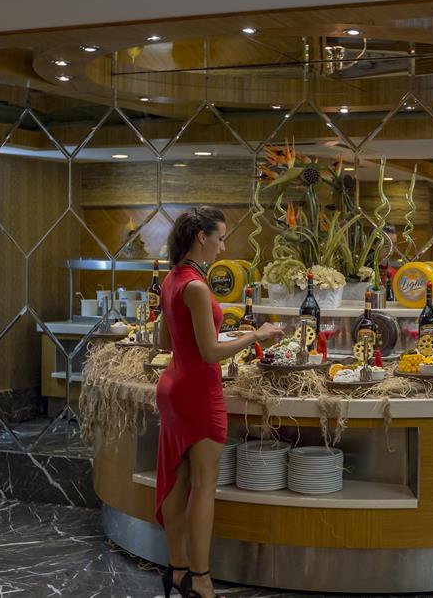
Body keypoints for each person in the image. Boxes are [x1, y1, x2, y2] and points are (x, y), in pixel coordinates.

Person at [156, 206, 282, 598]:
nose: (223, 247)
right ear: (202, 237)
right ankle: (201, 579)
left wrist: (215, 335)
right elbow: (210, 353)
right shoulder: (196, 286)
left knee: (177, 481)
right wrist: (256, 335)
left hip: (173, 387)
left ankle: (177, 570)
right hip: (198, 391)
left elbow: (165, 341)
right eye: (221, 238)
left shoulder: (172, 279)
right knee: (204, 487)